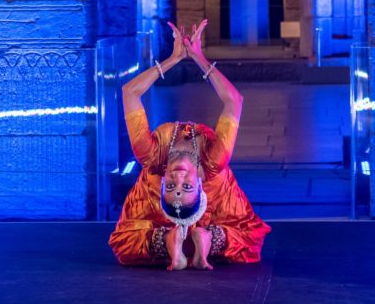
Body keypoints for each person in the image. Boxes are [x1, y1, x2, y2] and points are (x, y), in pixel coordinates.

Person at [108, 19, 271, 270]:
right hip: (221, 199)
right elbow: (234, 101)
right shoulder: (213, 160)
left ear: (163, 182)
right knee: (249, 237)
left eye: (172, 185)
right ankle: (206, 238)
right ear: (199, 184)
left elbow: (130, 93)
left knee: (126, 241)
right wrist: (199, 58)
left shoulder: (151, 156)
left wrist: (172, 59)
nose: (179, 176)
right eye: (186, 186)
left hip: (150, 199)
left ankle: (171, 239)